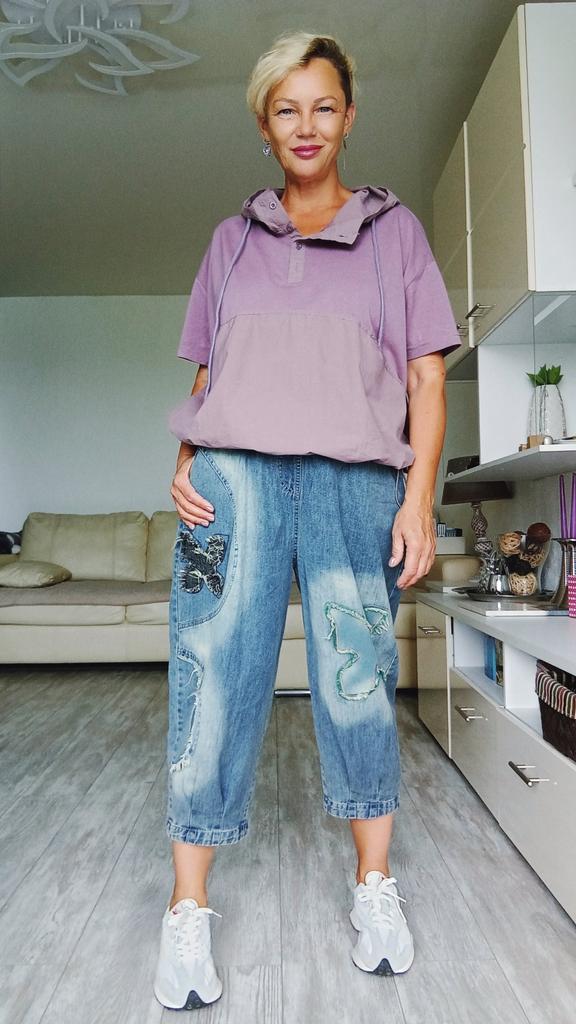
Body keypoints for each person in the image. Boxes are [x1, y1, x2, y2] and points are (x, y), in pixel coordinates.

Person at [153, 31, 461, 1011]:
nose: (306, 125)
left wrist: (418, 497)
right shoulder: (232, 239)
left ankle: (373, 887)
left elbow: (426, 378)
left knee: (358, 681)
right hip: (235, 481)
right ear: (264, 124)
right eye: (286, 108)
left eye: (323, 105)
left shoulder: (394, 233)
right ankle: (187, 912)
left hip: (353, 480)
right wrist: (184, 457)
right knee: (211, 680)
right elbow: (208, 372)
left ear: (349, 116)